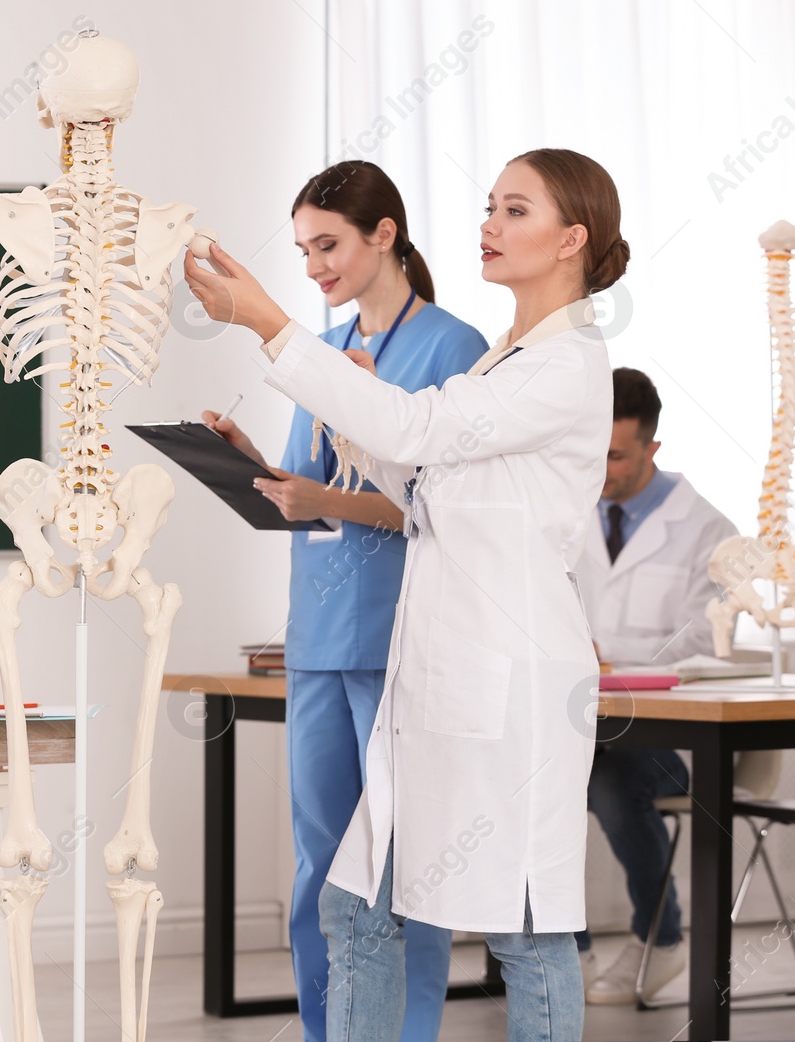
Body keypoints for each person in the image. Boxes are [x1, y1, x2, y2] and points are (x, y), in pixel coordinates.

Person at [186, 147, 629, 1042]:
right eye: (489, 208)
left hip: (509, 685)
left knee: (527, 931)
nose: (488, 225)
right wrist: (342, 435)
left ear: (571, 238)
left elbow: (419, 427)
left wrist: (267, 323)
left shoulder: (570, 364)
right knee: (357, 908)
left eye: (514, 211)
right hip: (433, 676)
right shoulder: (508, 357)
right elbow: (425, 472)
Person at [205, 160, 484, 1041]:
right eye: (303, 249)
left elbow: (437, 505)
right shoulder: (319, 352)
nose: (314, 265)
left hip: (402, 636)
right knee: (322, 865)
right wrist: (248, 461)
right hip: (321, 637)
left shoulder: (453, 348)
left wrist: (322, 498)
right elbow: (311, 496)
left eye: (328, 244)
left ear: (384, 234)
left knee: (403, 863)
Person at [572, 367, 736, 1003]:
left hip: (677, 739)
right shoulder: (568, 514)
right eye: (592, 452)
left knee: (611, 782)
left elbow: (701, 642)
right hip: (581, 725)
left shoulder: (707, 530)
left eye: (615, 455)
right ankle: (566, 950)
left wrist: (601, 656)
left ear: (652, 449)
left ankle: (660, 939)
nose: (602, 469)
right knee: (531, 778)